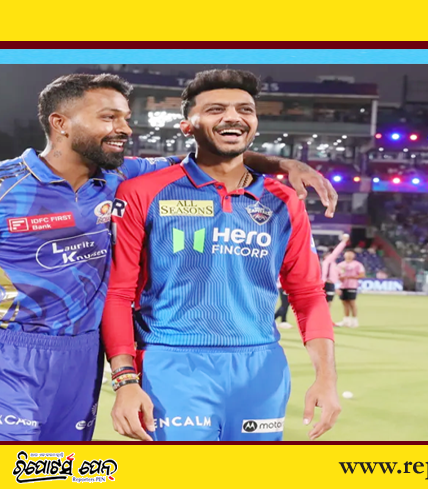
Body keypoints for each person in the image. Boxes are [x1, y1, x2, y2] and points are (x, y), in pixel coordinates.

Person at [0, 72, 339, 442]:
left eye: (126, 117)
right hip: (1, 355)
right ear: (61, 123)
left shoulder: (123, 175)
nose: (125, 128)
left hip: (82, 358)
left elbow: (213, 156)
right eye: (109, 117)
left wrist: (284, 163)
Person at [102, 69, 340, 442]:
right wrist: (125, 379)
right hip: (171, 365)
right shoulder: (142, 191)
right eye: (216, 109)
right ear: (187, 125)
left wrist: (326, 377)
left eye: (245, 109)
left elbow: (308, 294)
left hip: (261, 369)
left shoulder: (285, 200)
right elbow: (117, 293)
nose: (233, 117)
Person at [336, 250, 366, 327]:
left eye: (350, 255)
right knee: (345, 303)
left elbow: (362, 275)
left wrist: (350, 277)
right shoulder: (340, 265)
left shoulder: (357, 264)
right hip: (342, 286)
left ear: (353, 256)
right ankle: (346, 320)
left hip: (352, 286)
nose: (349, 256)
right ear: (344, 256)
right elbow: (336, 276)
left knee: (352, 303)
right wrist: (339, 280)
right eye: (347, 255)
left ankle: (355, 320)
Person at [320, 233, 350, 305]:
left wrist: (337, 287)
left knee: (328, 302)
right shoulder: (327, 261)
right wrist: (343, 242)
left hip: (330, 284)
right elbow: (336, 252)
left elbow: (338, 275)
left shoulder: (333, 265)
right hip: (325, 283)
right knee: (325, 302)